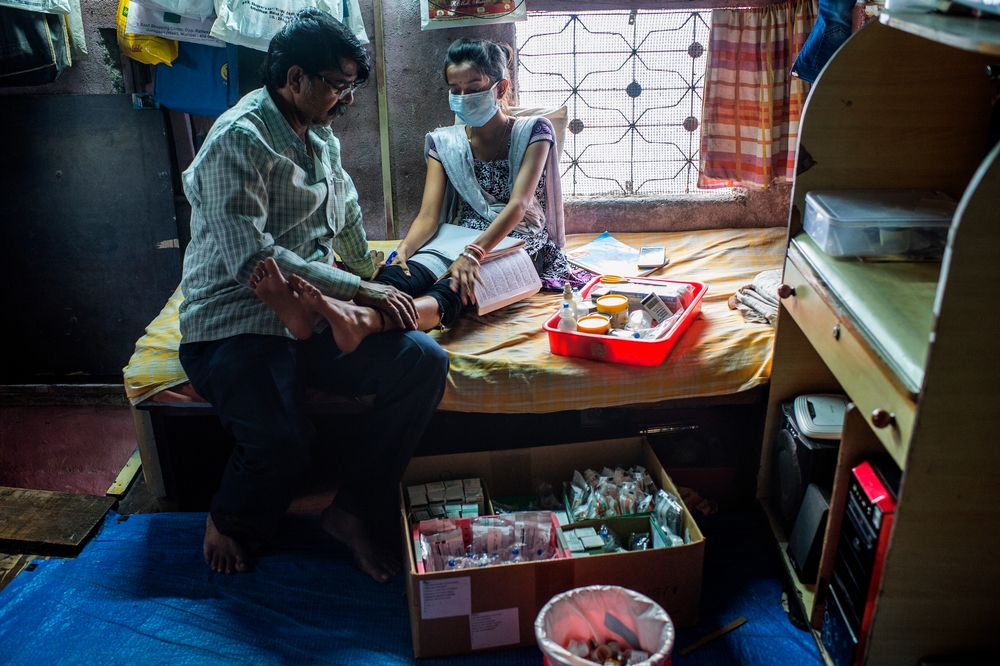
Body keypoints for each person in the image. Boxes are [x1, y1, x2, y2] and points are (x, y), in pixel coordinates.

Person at [176, 8, 449, 582]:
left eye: (352, 89)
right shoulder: (239, 139)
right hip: (237, 320)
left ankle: (350, 513)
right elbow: (255, 258)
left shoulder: (319, 138)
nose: (346, 102)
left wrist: (374, 279)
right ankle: (230, 518)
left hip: (306, 314)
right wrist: (356, 287)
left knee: (423, 363)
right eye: (339, 86)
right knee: (282, 443)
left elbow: (347, 215)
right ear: (296, 78)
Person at [369, 38, 593, 331]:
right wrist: (402, 253)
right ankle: (363, 316)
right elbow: (427, 216)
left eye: (473, 89)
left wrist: (473, 254)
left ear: (500, 88)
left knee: (454, 288)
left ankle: (367, 324)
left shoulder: (535, 131)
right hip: (457, 238)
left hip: (516, 241)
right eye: (455, 90)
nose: (463, 97)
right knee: (396, 279)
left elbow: (519, 204)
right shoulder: (445, 142)